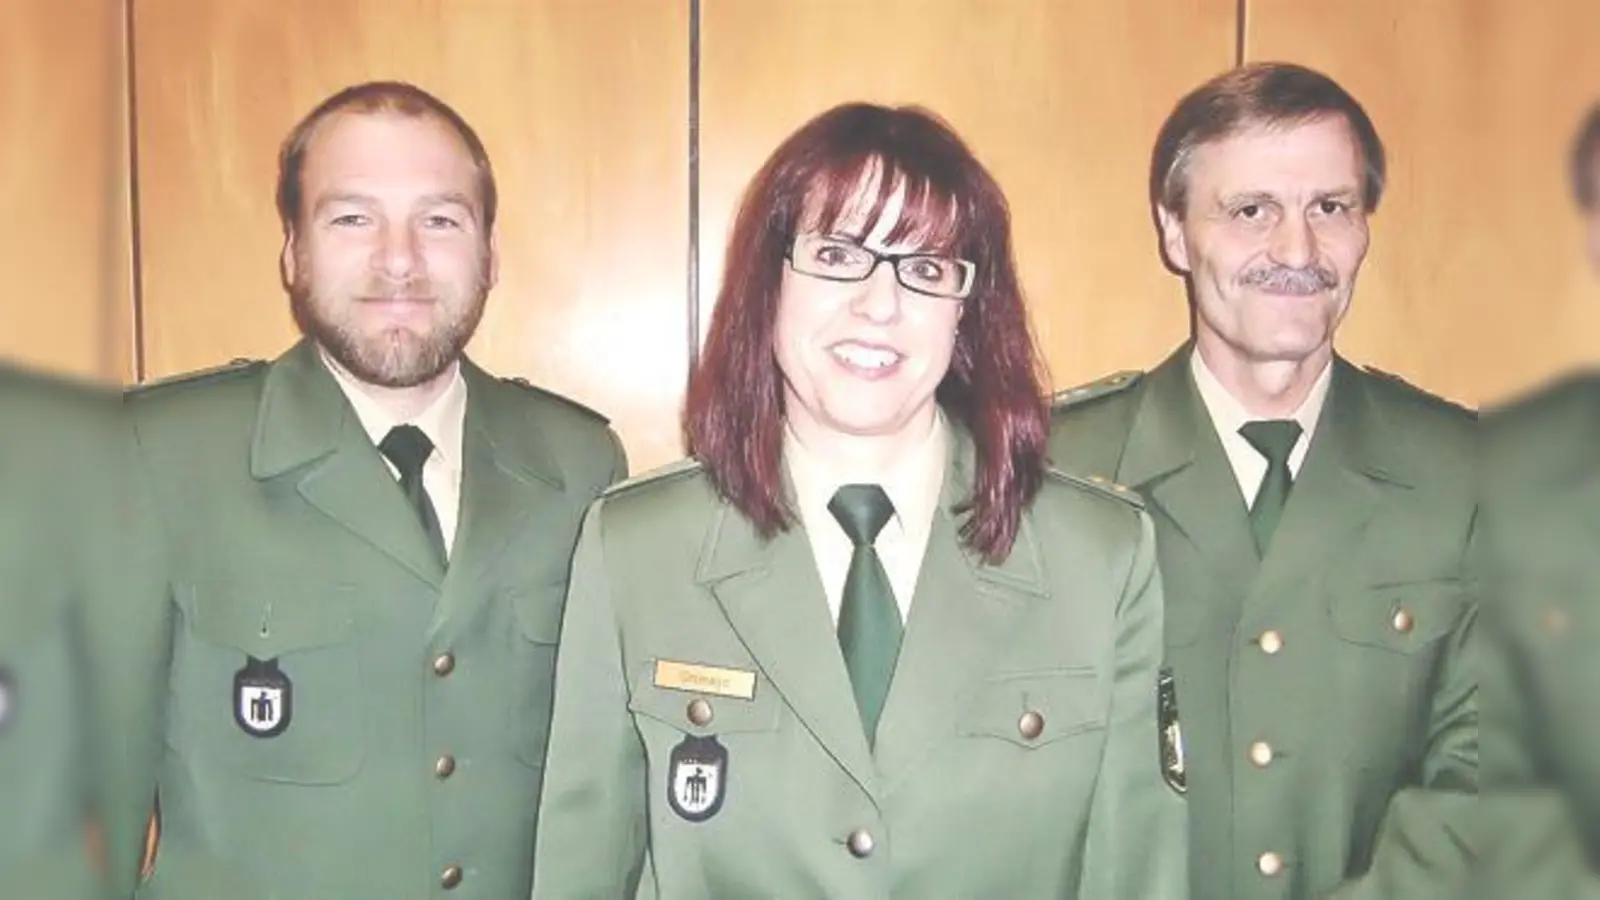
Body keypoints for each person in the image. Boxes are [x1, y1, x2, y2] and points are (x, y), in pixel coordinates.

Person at [530, 101, 1187, 899]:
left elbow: (1135, 873)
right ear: (769, 280)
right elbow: (583, 870)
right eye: (838, 255)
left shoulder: (1100, 555)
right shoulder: (639, 547)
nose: (880, 304)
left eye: (927, 269)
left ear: (966, 311)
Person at [113, 80, 627, 899]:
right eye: (352, 218)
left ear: (491, 253)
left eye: (440, 220)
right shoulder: (157, 456)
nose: (399, 260)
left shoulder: (578, 465)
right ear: (293, 252)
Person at [1049, 62, 1476, 899]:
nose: (1297, 251)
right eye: (1252, 211)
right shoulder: (1059, 473)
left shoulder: (1463, 474)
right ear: (1175, 234)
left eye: (1331, 208)